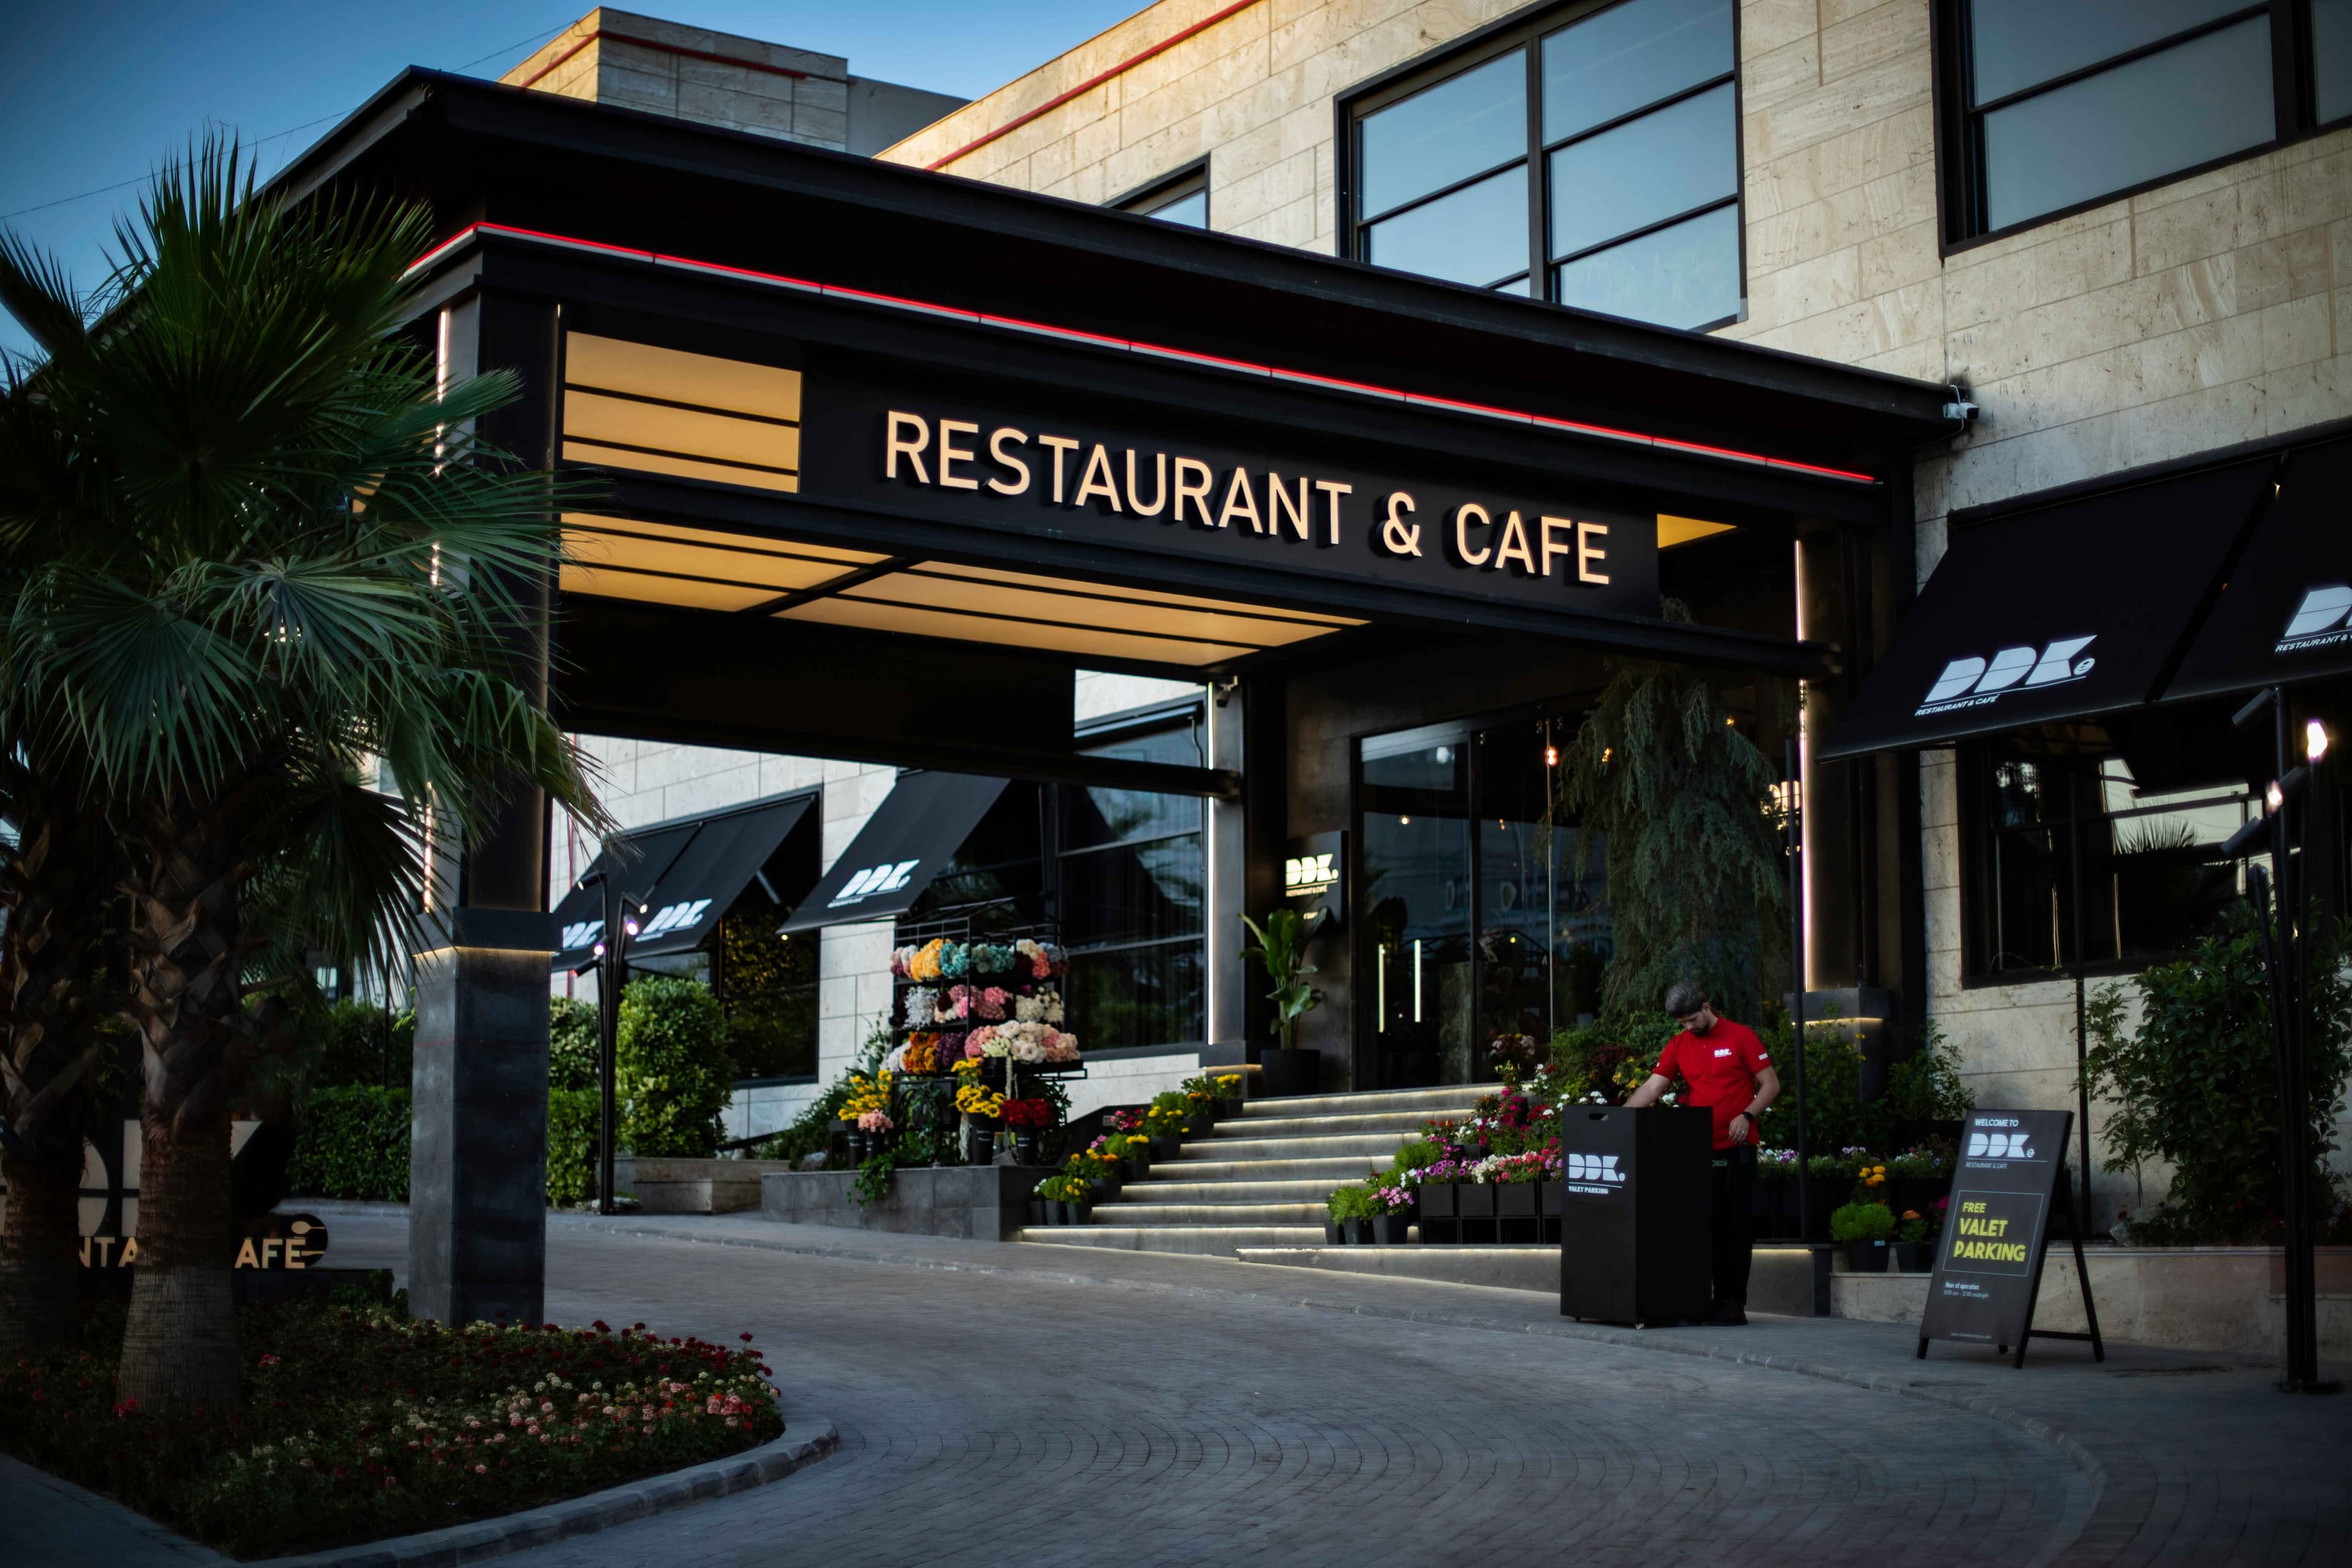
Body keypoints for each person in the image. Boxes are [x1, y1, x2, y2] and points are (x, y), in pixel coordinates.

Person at [1623, 981, 1780, 1325]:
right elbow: (1654, 1085)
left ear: (1707, 1007)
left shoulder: (1741, 1037)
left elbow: (1770, 1084)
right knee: (1699, 1228)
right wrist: (1618, 1120)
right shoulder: (1679, 1045)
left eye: (1693, 1019)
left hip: (1737, 1150)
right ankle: (1698, 1299)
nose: (1690, 1028)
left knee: (1734, 1229)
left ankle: (1732, 1302)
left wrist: (1748, 1114)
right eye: (1682, 1024)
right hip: (1696, 1150)